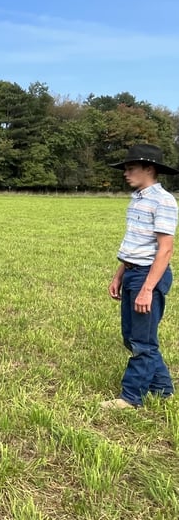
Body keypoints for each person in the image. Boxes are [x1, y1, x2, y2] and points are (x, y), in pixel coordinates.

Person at [102, 143, 178, 409]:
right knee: (131, 337)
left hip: (149, 276)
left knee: (142, 342)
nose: (126, 173)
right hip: (133, 272)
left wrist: (148, 288)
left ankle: (131, 398)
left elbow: (165, 249)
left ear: (149, 169)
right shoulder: (138, 199)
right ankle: (163, 388)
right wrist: (119, 274)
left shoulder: (163, 201)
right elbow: (133, 244)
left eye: (131, 168)